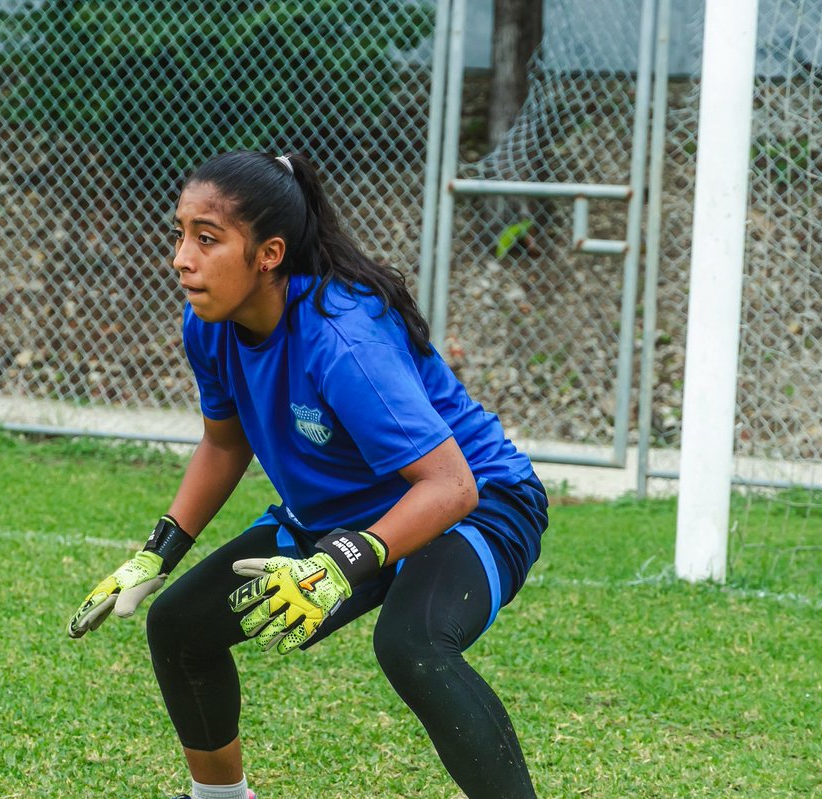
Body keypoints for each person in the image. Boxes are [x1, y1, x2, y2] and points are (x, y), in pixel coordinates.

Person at [67, 151, 549, 799]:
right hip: (339, 515)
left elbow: (450, 485)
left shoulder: (343, 337)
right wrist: (159, 550)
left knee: (411, 643)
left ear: (268, 253)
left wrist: (343, 561)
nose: (182, 257)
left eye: (206, 239)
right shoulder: (208, 323)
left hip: (479, 503)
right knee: (181, 625)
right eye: (179, 234)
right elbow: (223, 442)